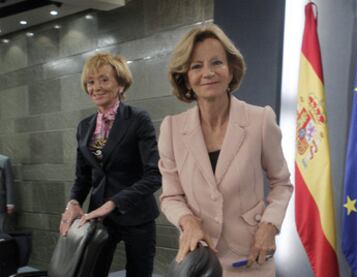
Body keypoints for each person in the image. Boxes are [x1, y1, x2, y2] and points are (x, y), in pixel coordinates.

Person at [158, 23, 293, 276]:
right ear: (185, 78)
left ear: (231, 70)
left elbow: (282, 183)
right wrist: (187, 222)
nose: (208, 73)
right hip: (199, 259)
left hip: (251, 258)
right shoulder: (172, 129)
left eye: (216, 63)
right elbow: (170, 196)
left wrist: (269, 226)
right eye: (196, 66)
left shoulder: (260, 119)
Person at [59, 53, 161, 277]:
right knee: (93, 272)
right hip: (99, 217)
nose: (96, 87)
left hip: (137, 214)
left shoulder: (138, 119)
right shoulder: (84, 127)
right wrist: (74, 202)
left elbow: (154, 175)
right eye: (91, 81)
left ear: (121, 83)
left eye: (104, 79)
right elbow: (82, 176)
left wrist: (114, 202)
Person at [0, 154, 15, 233]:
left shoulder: (4, 160)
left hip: (1, 203)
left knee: (1, 229)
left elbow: (9, 182)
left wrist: (10, 203)